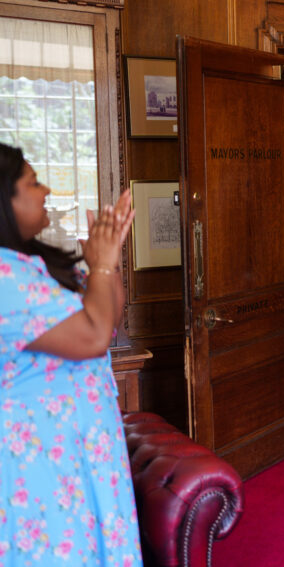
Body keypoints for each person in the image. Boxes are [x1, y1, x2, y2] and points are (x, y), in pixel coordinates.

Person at [0, 143, 142, 564]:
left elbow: (108, 319)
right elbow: (93, 335)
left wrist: (110, 260)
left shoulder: (30, 261)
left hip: (83, 444)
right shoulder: (4, 276)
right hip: (39, 455)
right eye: (33, 183)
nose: (46, 191)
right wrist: (100, 266)